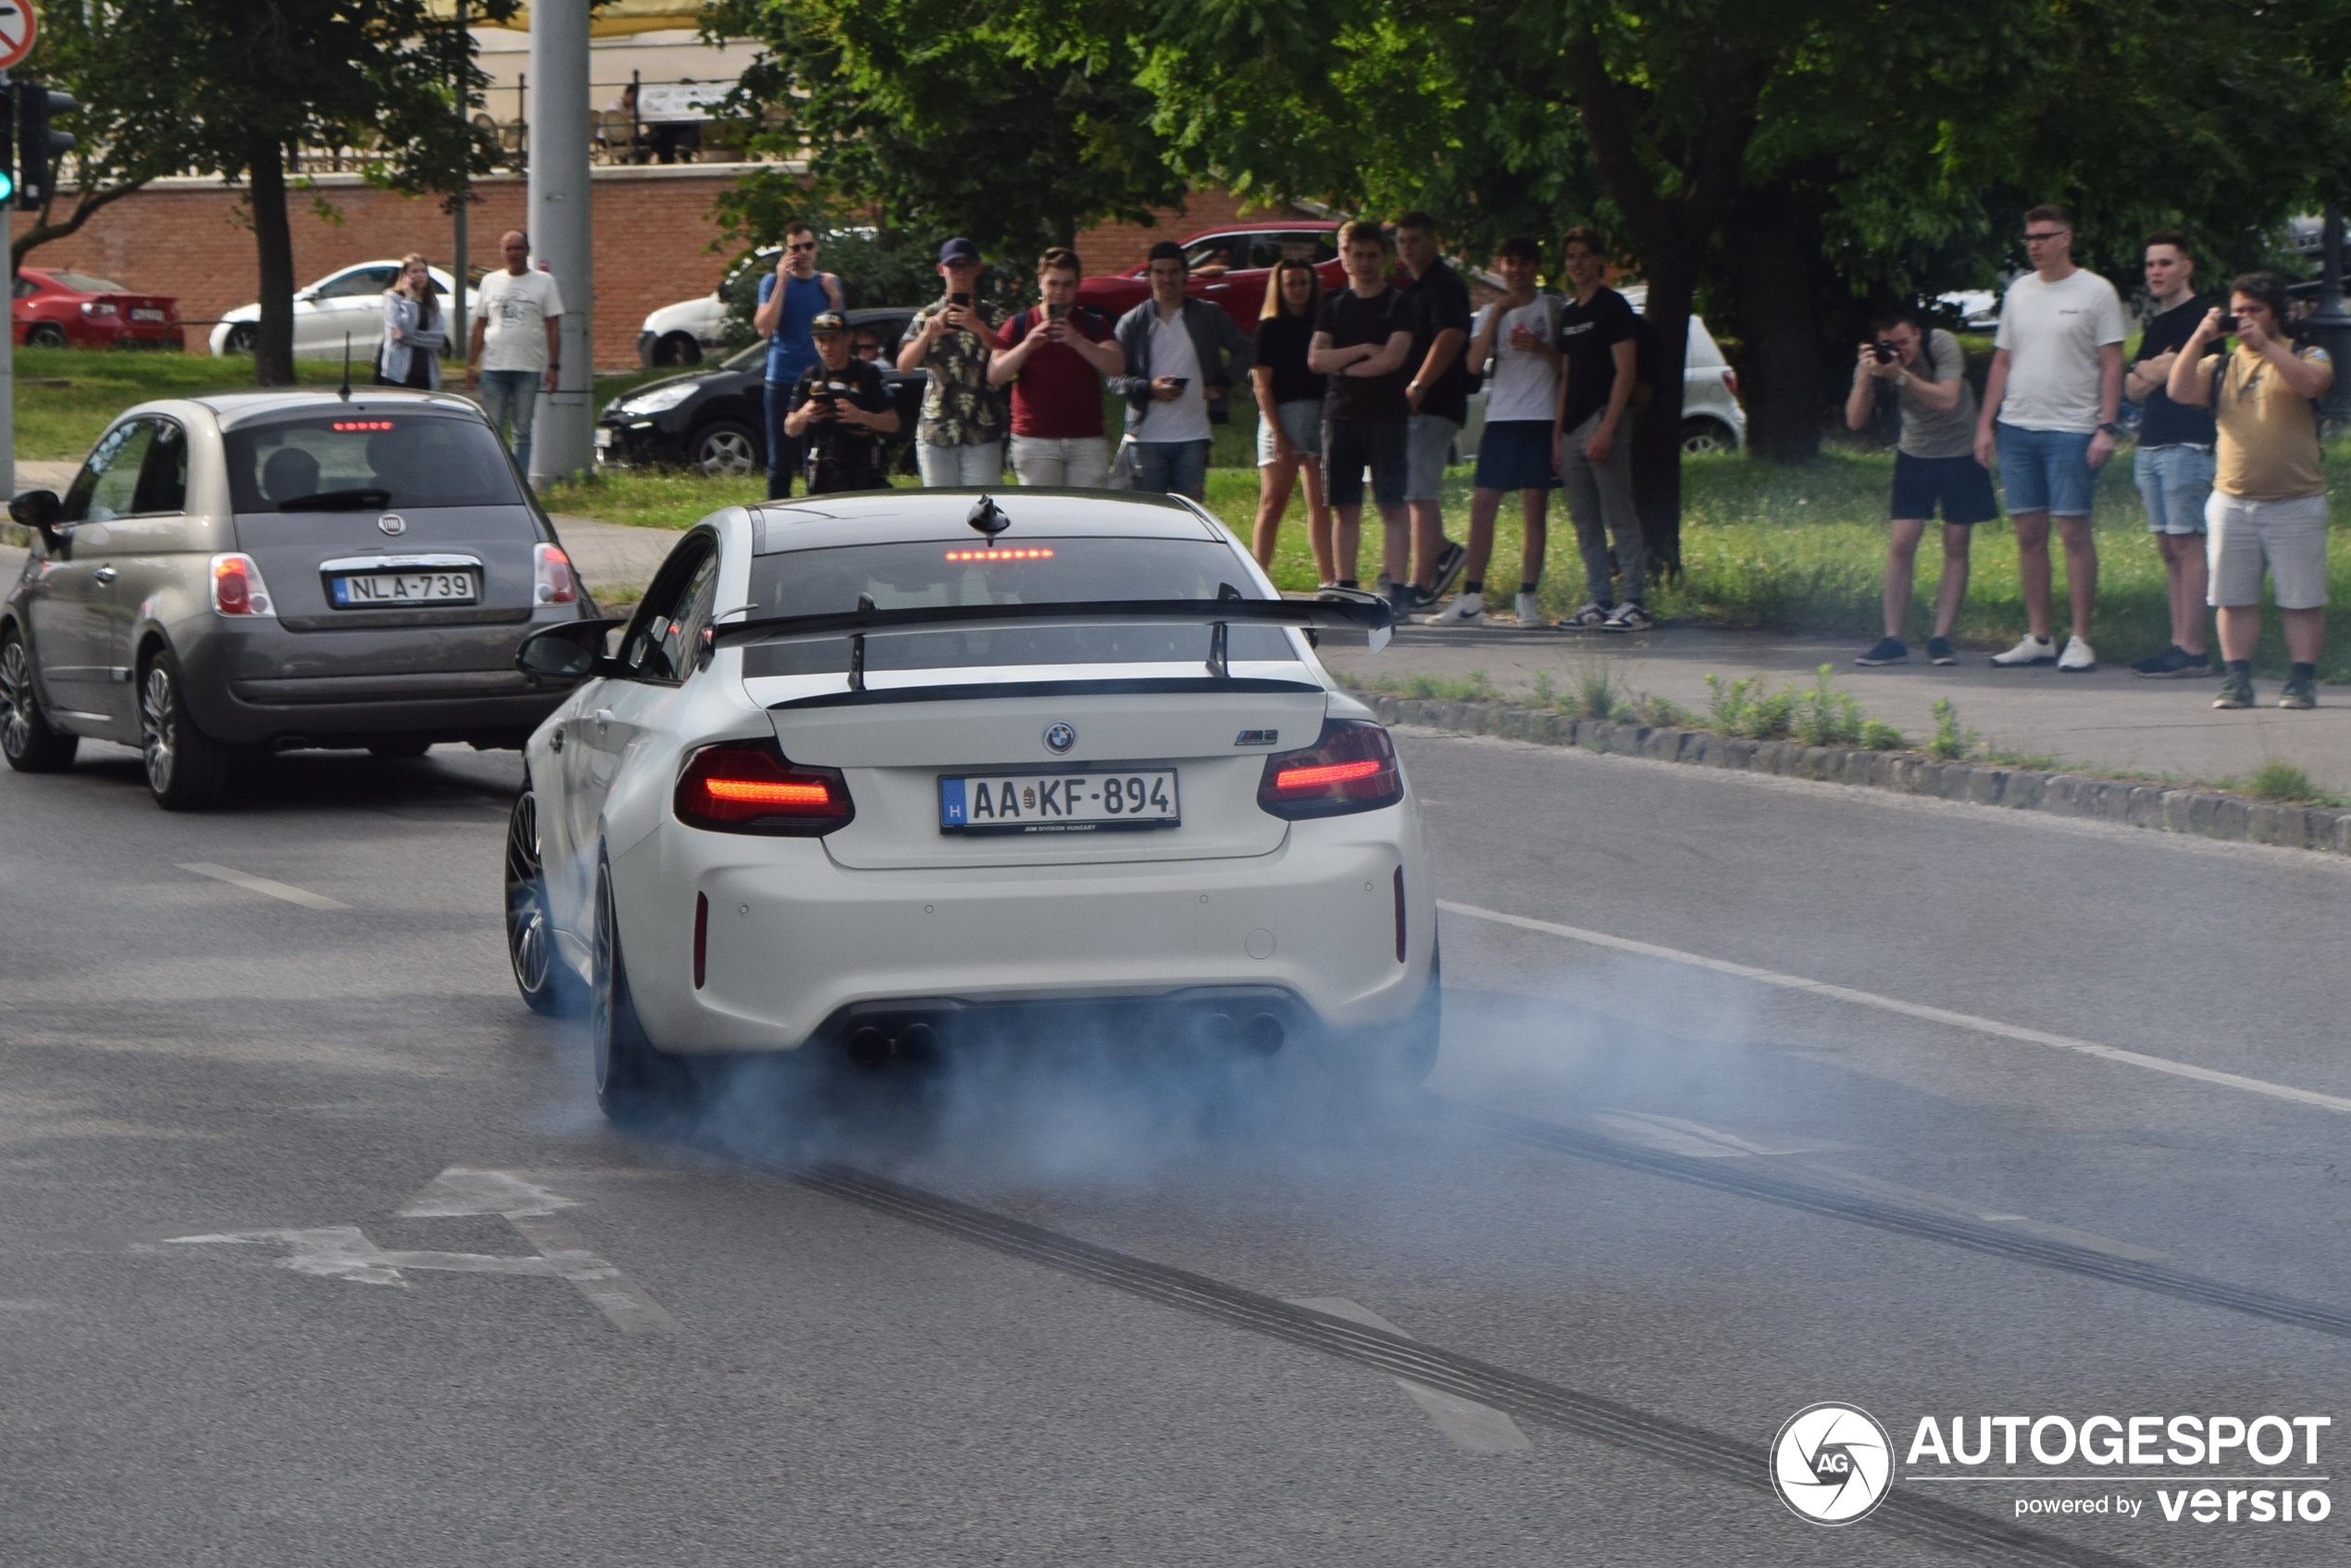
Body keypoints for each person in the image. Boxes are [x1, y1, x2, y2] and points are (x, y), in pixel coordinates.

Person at [2167, 272, 2335, 710]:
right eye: (2237, 311)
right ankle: (2236, 678)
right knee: (2232, 596)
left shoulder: (2306, 354)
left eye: (2254, 311)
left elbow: (2312, 384)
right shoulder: (2221, 364)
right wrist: (2201, 337)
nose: (2244, 320)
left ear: (2276, 313)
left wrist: (2267, 345)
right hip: (2232, 500)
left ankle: (2301, 679)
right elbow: (2179, 389)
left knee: (2301, 598)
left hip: (2295, 500)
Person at [1974, 204, 2126, 671]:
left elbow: (2113, 362)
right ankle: (2040, 634)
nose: (2035, 245)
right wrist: (1986, 424)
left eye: (2044, 236)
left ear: (2066, 239)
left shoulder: (2097, 292)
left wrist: (2106, 425)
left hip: (2072, 428)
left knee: (2073, 531)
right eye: (2029, 238)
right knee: (2028, 533)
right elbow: (2002, 361)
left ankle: (2081, 638)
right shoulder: (2019, 292)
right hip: (2019, 425)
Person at [1845, 305, 1994, 666]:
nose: (1900, 351)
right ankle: (1892, 637)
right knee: (1902, 542)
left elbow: (1948, 399)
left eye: (1904, 341)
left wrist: (1900, 376)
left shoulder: (1940, 343)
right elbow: (1854, 421)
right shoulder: (1876, 362)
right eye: (1889, 344)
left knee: (1956, 543)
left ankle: (1941, 637)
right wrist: (1868, 376)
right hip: (1915, 452)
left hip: (1959, 448)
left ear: (1917, 334)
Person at [1428, 235, 1556, 627]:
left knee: (1535, 507)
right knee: (1483, 504)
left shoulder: (1551, 307)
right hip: (1502, 417)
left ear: (1535, 267)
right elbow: (1472, 364)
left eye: (1524, 263)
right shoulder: (1490, 312)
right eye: (1509, 263)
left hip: (1541, 415)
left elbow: (1568, 363)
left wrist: (1538, 348)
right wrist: (1498, 314)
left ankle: (1528, 597)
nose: (1516, 271)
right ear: (1500, 267)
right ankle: (1471, 598)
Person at [2124, 230, 2218, 678]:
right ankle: (2176, 641)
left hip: (2188, 443)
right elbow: (2133, 387)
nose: (2156, 272)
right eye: (2150, 265)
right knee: (2167, 547)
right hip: (2150, 444)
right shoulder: (2157, 324)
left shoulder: (2205, 319)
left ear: (2186, 266)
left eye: (2165, 263)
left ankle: (2194, 648)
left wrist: (2155, 371)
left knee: (2187, 542)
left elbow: (2194, 377)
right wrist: (2153, 368)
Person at [1307, 220, 1415, 590]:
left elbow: (1393, 360)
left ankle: (1396, 586)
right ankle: (1346, 584)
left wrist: (1346, 367)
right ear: (1345, 258)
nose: (1365, 262)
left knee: (1391, 505)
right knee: (1344, 506)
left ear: (1384, 258)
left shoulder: (1399, 303)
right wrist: (1365, 350)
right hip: (1340, 417)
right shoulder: (1333, 306)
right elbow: (1317, 360)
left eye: (1373, 255)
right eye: (1358, 255)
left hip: (1387, 416)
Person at [1549, 226, 1645, 630]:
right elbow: (1567, 376)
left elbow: (1626, 370)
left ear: (1599, 260)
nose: (1577, 263)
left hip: (1602, 419)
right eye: (1571, 256)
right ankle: (1600, 600)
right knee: (1584, 518)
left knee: (1618, 512)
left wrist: (1607, 428)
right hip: (1571, 426)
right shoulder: (1570, 314)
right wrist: (1557, 434)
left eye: (1584, 255)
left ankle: (1635, 602)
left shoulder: (1613, 307)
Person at [1109, 241, 1253, 500]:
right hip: (1145, 437)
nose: (1167, 278)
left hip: (1193, 436)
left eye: (1174, 271)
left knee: (1191, 516)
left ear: (1186, 274)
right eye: (1160, 272)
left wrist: (1222, 383)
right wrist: (1148, 388)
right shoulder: (1133, 322)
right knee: (1150, 516)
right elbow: (1113, 376)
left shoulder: (1208, 315)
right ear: (1149, 276)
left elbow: (1246, 350)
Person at [1390, 212, 1473, 611]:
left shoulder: (1443, 284)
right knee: (1410, 495)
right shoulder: (1413, 288)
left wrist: (1419, 385)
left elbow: (1452, 334)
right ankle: (1442, 552)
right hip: (1410, 406)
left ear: (1434, 241)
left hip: (1433, 403)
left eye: (1416, 239)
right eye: (1403, 240)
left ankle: (1420, 586)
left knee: (1420, 495)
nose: (1408, 247)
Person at [989, 247, 1122, 488]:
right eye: (1053, 283)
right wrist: (1027, 345)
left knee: (1086, 516)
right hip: (1034, 439)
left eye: (1068, 284)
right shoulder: (1019, 323)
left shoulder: (1094, 324)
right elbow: (996, 374)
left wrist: (1077, 341)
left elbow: (1117, 366)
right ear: (1040, 283)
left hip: (1086, 440)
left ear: (1078, 285)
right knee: (1042, 518)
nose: (1060, 291)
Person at [899, 237, 1007, 487]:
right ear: (941, 270)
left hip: (983, 426)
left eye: (966, 265)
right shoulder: (927, 316)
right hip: (938, 428)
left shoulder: (994, 315)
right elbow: (904, 366)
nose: (960, 272)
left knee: (983, 508)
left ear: (977, 268)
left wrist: (978, 327)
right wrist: (926, 335)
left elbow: (1011, 357)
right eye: (953, 266)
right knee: (941, 510)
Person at [1251, 257, 1334, 577]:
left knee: (1321, 503)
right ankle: (1259, 577)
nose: (1297, 289)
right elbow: (1261, 386)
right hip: (1281, 416)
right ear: (1279, 288)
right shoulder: (1268, 329)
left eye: (1303, 282)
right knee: (1273, 503)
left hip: (1319, 415)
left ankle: (1329, 579)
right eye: (1290, 283)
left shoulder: (1323, 325)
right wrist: (1279, 434)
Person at [753, 221, 845, 500]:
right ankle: (777, 521)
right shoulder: (772, 282)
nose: (802, 252)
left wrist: (834, 296)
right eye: (796, 247)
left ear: (816, 248)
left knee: (817, 458)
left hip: (818, 379)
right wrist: (782, 279)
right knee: (780, 461)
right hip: (781, 380)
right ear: (787, 250)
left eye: (808, 246)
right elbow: (765, 328)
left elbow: (840, 331)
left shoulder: (828, 282)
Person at [466, 230, 564, 479]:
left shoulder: (544, 282)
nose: (513, 254)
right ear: (501, 253)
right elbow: (479, 325)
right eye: (508, 249)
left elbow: (553, 325)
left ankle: (520, 483)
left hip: (527, 369)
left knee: (522, 430)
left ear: (527, 251)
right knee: (493, 430)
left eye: (518, 248)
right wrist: (470, 364)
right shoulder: (490, 281)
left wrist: (553, 366)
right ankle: (495, 480)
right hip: (494, 368)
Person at [783, 311, 901, 494]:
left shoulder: (868, 373)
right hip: (823, 466)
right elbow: (790, 428)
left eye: (833, 339)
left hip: (862, 465)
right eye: (821, 340)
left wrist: (860, 416)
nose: (827, 347)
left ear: (848, 338)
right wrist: (804, 414)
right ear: (814, 342)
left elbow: (893, 423)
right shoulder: (810, 376)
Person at [378, 253, 445, 391]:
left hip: (426, 373)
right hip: (399, 373)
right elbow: (405, 329)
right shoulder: (393, 298)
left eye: (423, 271)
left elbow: (438, 340)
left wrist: (406, 338)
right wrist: (411, 299)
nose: (419, 275)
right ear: (404, 275)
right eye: (414, 271)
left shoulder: (432, 302)